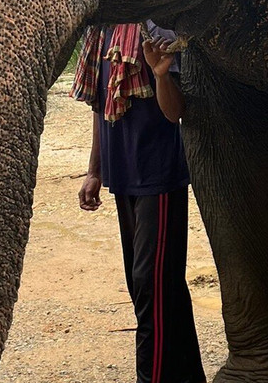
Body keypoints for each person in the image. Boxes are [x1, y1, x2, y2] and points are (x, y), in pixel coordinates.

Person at [73, 21, 205, 383]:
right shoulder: (101, 34)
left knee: (152, 288)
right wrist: (94, 171)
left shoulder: (155, 30)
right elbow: (101, 107)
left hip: (158, 176)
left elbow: (175, 112)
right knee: (155, 289)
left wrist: (161, 75)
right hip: (123, 177)